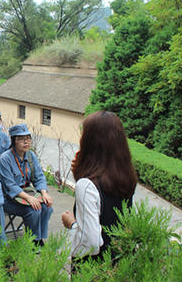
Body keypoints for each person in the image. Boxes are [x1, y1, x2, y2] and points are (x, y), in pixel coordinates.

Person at [61, 111, 137, 266]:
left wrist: (72, 225)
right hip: (119, 262)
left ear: (90, 142)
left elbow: (91, 242)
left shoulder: (87, 185)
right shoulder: (127, 176)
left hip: (93, 268)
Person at [0, 124, 53, 246]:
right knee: (33, 210)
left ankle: (38, 238)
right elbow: (10, 185)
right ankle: (32, 241)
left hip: (29, 193)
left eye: (28, 138)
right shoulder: (5, 158)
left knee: (47, 207)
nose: (26, 141)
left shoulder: (31, 155)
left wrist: (44, 193)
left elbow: (39, 177)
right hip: (9, 199)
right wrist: (28, 198)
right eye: (21, 139)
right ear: (14, 140)